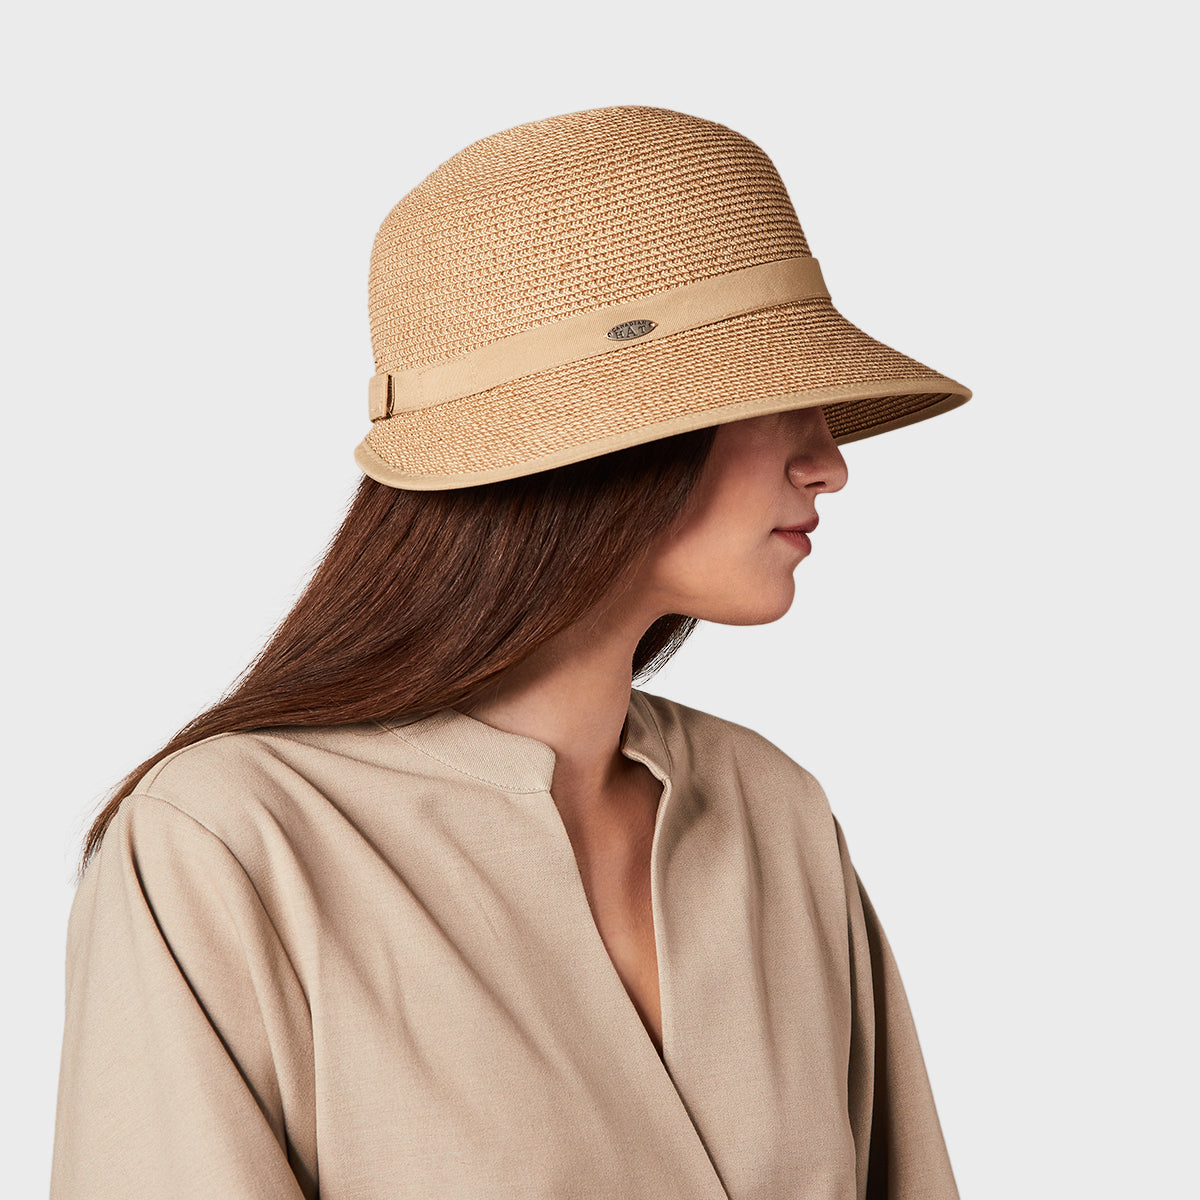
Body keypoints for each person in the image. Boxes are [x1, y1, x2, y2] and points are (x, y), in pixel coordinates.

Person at [50, 105, 972, 1199]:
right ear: (610, 441)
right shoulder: (232, 842)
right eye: (777, 398)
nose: (830, 462)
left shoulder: (773, 811)